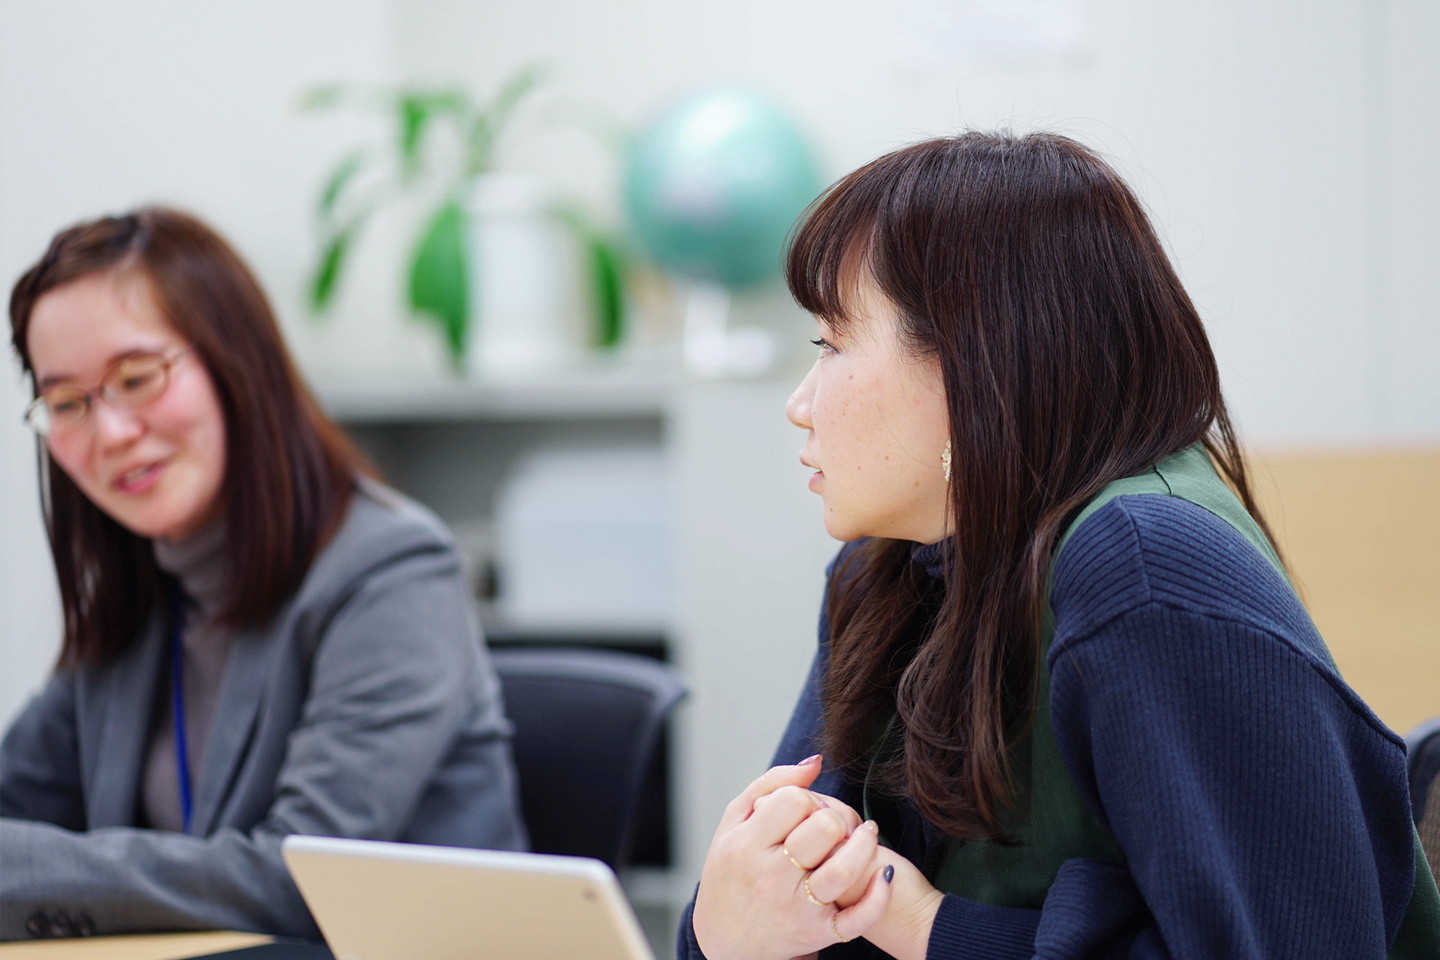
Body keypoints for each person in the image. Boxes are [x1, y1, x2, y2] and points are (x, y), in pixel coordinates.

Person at [681, 133, 1440, 958]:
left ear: (972, 362)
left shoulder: (1147, 567)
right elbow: (786, 892)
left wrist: (931, 929)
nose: (800, 403)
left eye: (831, 344)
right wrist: (720, 931)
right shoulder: (891, 562)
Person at [0, 208, 527, 941]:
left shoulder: (393, 573)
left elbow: (304, 880)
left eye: (137, 377)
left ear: (236, 362)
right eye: (66, 403)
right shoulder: (144, 589)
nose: (111, 432)